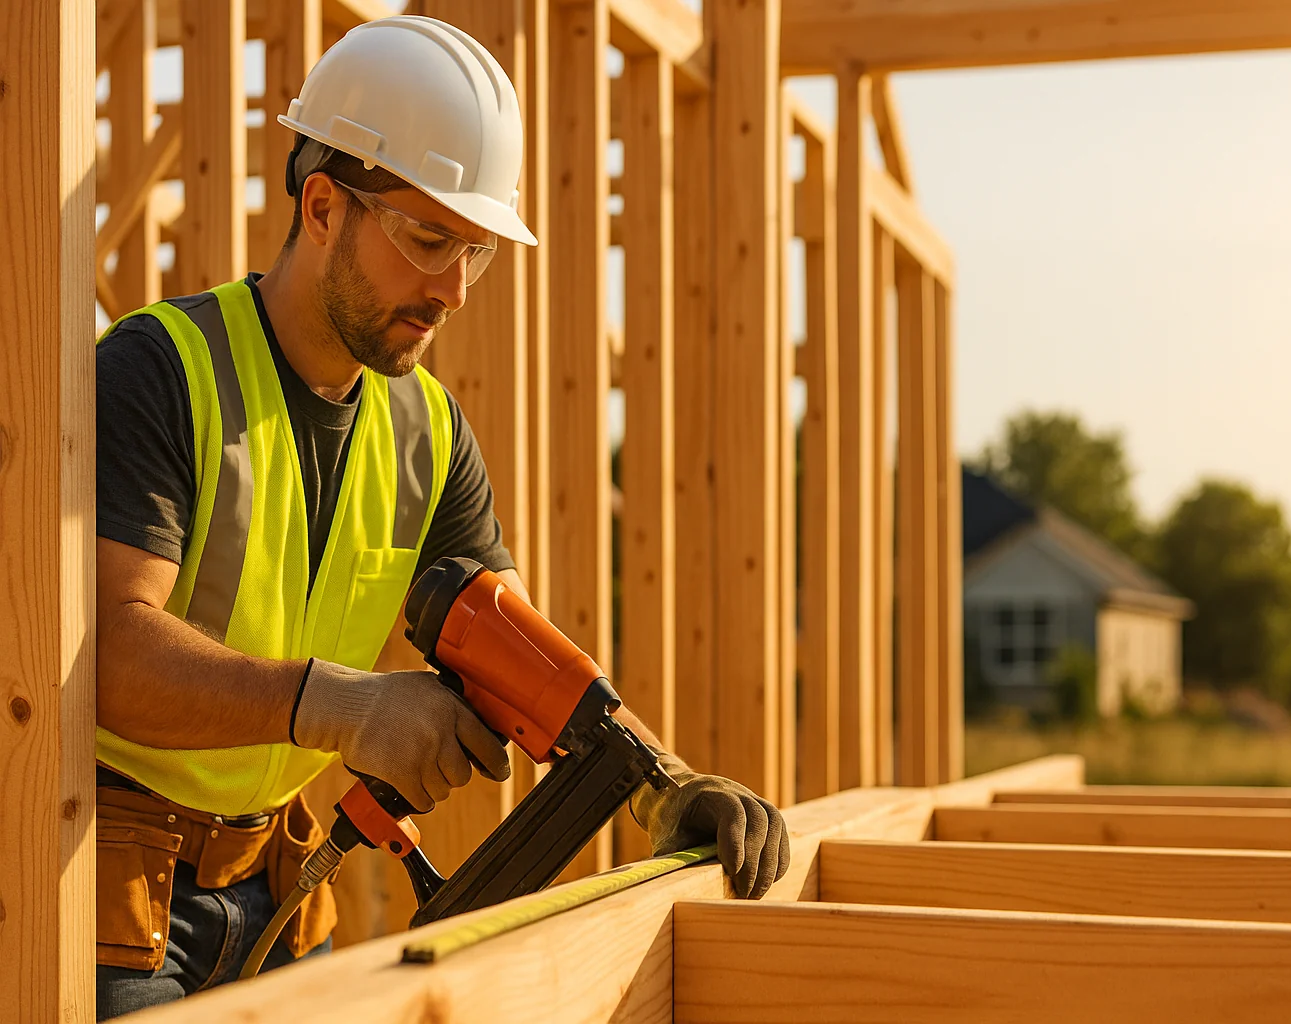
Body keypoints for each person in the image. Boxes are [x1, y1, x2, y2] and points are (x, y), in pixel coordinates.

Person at [94, 16, 787, 1019]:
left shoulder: (424, 427)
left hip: (284, 887)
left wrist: (658, 779)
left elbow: (503, 638)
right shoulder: (162, 369)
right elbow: (107, 657)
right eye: (427, 240)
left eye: (476, 251)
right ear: (322, 204)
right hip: (115, 897)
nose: (453, 289)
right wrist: (352, 708)